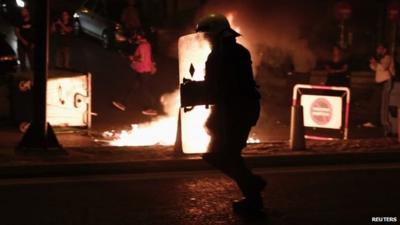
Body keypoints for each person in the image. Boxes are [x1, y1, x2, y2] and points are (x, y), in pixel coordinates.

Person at [196, 14, 266, 215]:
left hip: (233, 111)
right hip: (242, 109)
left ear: (216, 34)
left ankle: (253, 186)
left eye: (207, 35)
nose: (206, 39)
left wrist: (195, 91)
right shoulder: (238, 51)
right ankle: (253, 198)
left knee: (219, 155)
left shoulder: (219, 55)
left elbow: (217, 85)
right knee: (229, 155)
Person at [112, 29, 157, 116]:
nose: (136, 38)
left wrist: (132, 58)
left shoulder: (142, 46)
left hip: (144, 71)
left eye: (137, 36)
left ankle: (152, 108)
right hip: (143, 70)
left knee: (145, 90)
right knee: (133, 87)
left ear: (140, 37)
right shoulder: (147, 45)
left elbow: (141, 59)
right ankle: (123, 103)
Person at [369, 43, 396, 136]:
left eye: (380, 48)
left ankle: (387, 127)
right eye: (377, 49)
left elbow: (384, 67)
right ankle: (384, 127)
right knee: (381, 105)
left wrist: (376, 63)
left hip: (386, 82)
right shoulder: (381, 58)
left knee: (384, 105)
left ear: (384, 50)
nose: (378, 50)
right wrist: (373, 63)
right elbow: (375, 68)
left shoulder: (387, 57)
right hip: (380, 83)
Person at [14, 7, 34, 71]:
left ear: (28, 12)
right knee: (22, 62)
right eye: (22, 11)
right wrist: (22, 40)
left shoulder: (32, 21)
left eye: (25, 11)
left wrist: (34, 42)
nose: (23, 12)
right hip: (21, 43)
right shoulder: (19, 21)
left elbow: (36, 32)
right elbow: (16, 32)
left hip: (31, 43)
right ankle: (24, 76)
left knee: (32, 61)